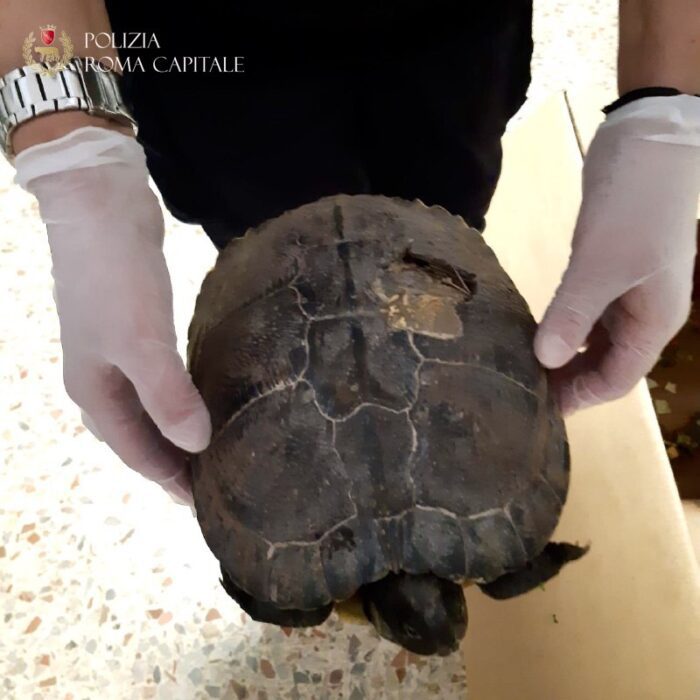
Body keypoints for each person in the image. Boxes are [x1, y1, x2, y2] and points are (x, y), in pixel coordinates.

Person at [1, 1, 699, 506]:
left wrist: (671, 105)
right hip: (206, 50)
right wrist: (73, 157)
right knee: (278, 263)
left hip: (453, 34)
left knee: (440, 234)